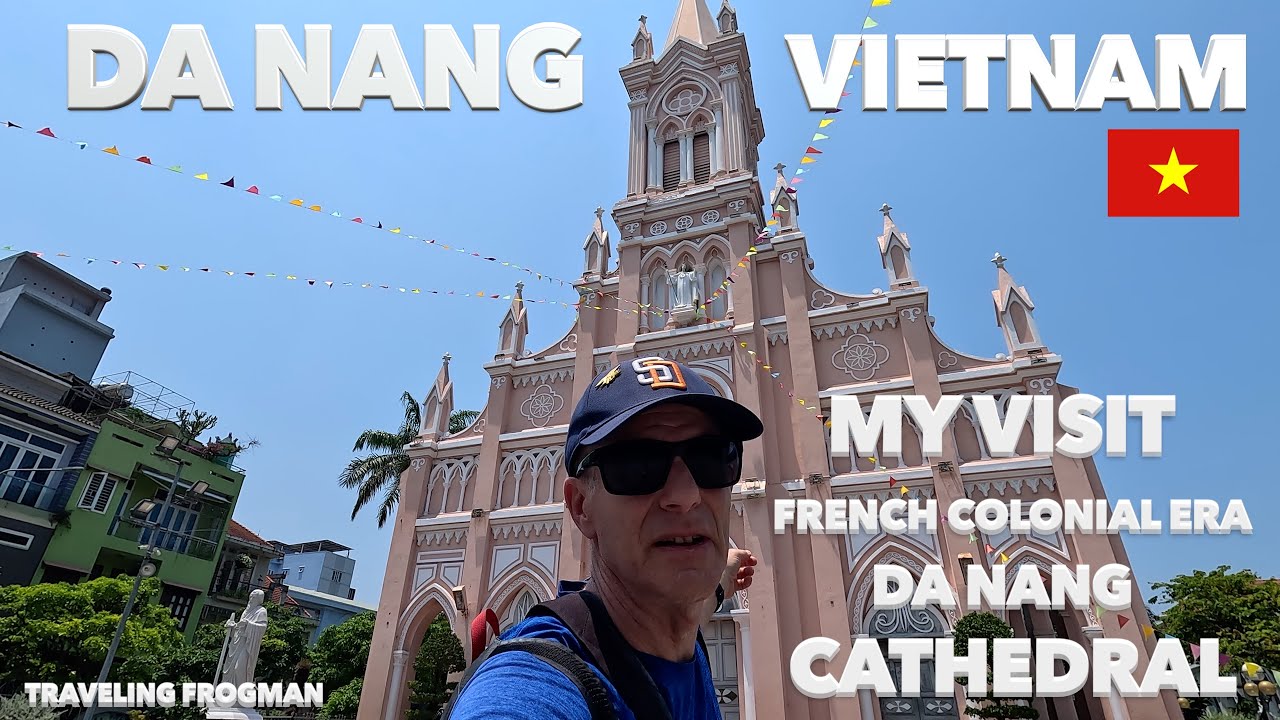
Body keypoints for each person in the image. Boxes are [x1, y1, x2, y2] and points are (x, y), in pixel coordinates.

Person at [445, 356, 764, 719]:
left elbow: (705, 600)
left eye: (711, 458)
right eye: (638, 465)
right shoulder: (536, 676)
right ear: (581, 506)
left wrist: (724, 572)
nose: (686, 494)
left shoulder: (680, 625)